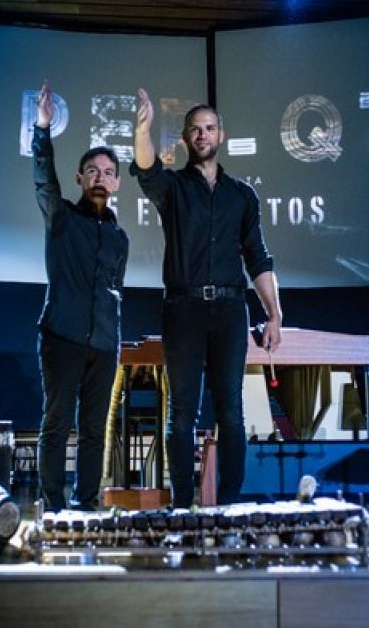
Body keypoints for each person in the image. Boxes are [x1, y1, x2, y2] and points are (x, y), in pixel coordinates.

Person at [131, 88, 282, 508]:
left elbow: (257, 256)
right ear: (184, 138)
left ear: (221, 136)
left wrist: (274, 315)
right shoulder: (173, 188)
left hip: (231, 309)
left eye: (210, 128)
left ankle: (229, 505)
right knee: (182, 412)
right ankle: (182, 505)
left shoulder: (242, 195)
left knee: (231, 411)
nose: (203, 135)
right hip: (183, 308)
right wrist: (142, 130)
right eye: (195, 129)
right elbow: (146, 168)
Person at [32, 79, 129, 511]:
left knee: (94, 431)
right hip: (62, 336)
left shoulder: (120, 237)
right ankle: (53, 507)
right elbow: (43, 179)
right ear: (80, 178)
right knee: (56, 424)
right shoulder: (62, 218)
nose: (99, 177)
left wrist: (112, 339)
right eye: (92, 171)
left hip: (105, 344)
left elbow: (114, 289)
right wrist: (42, 129)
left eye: (107, 172)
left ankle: (87, 506)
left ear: (117, 183)